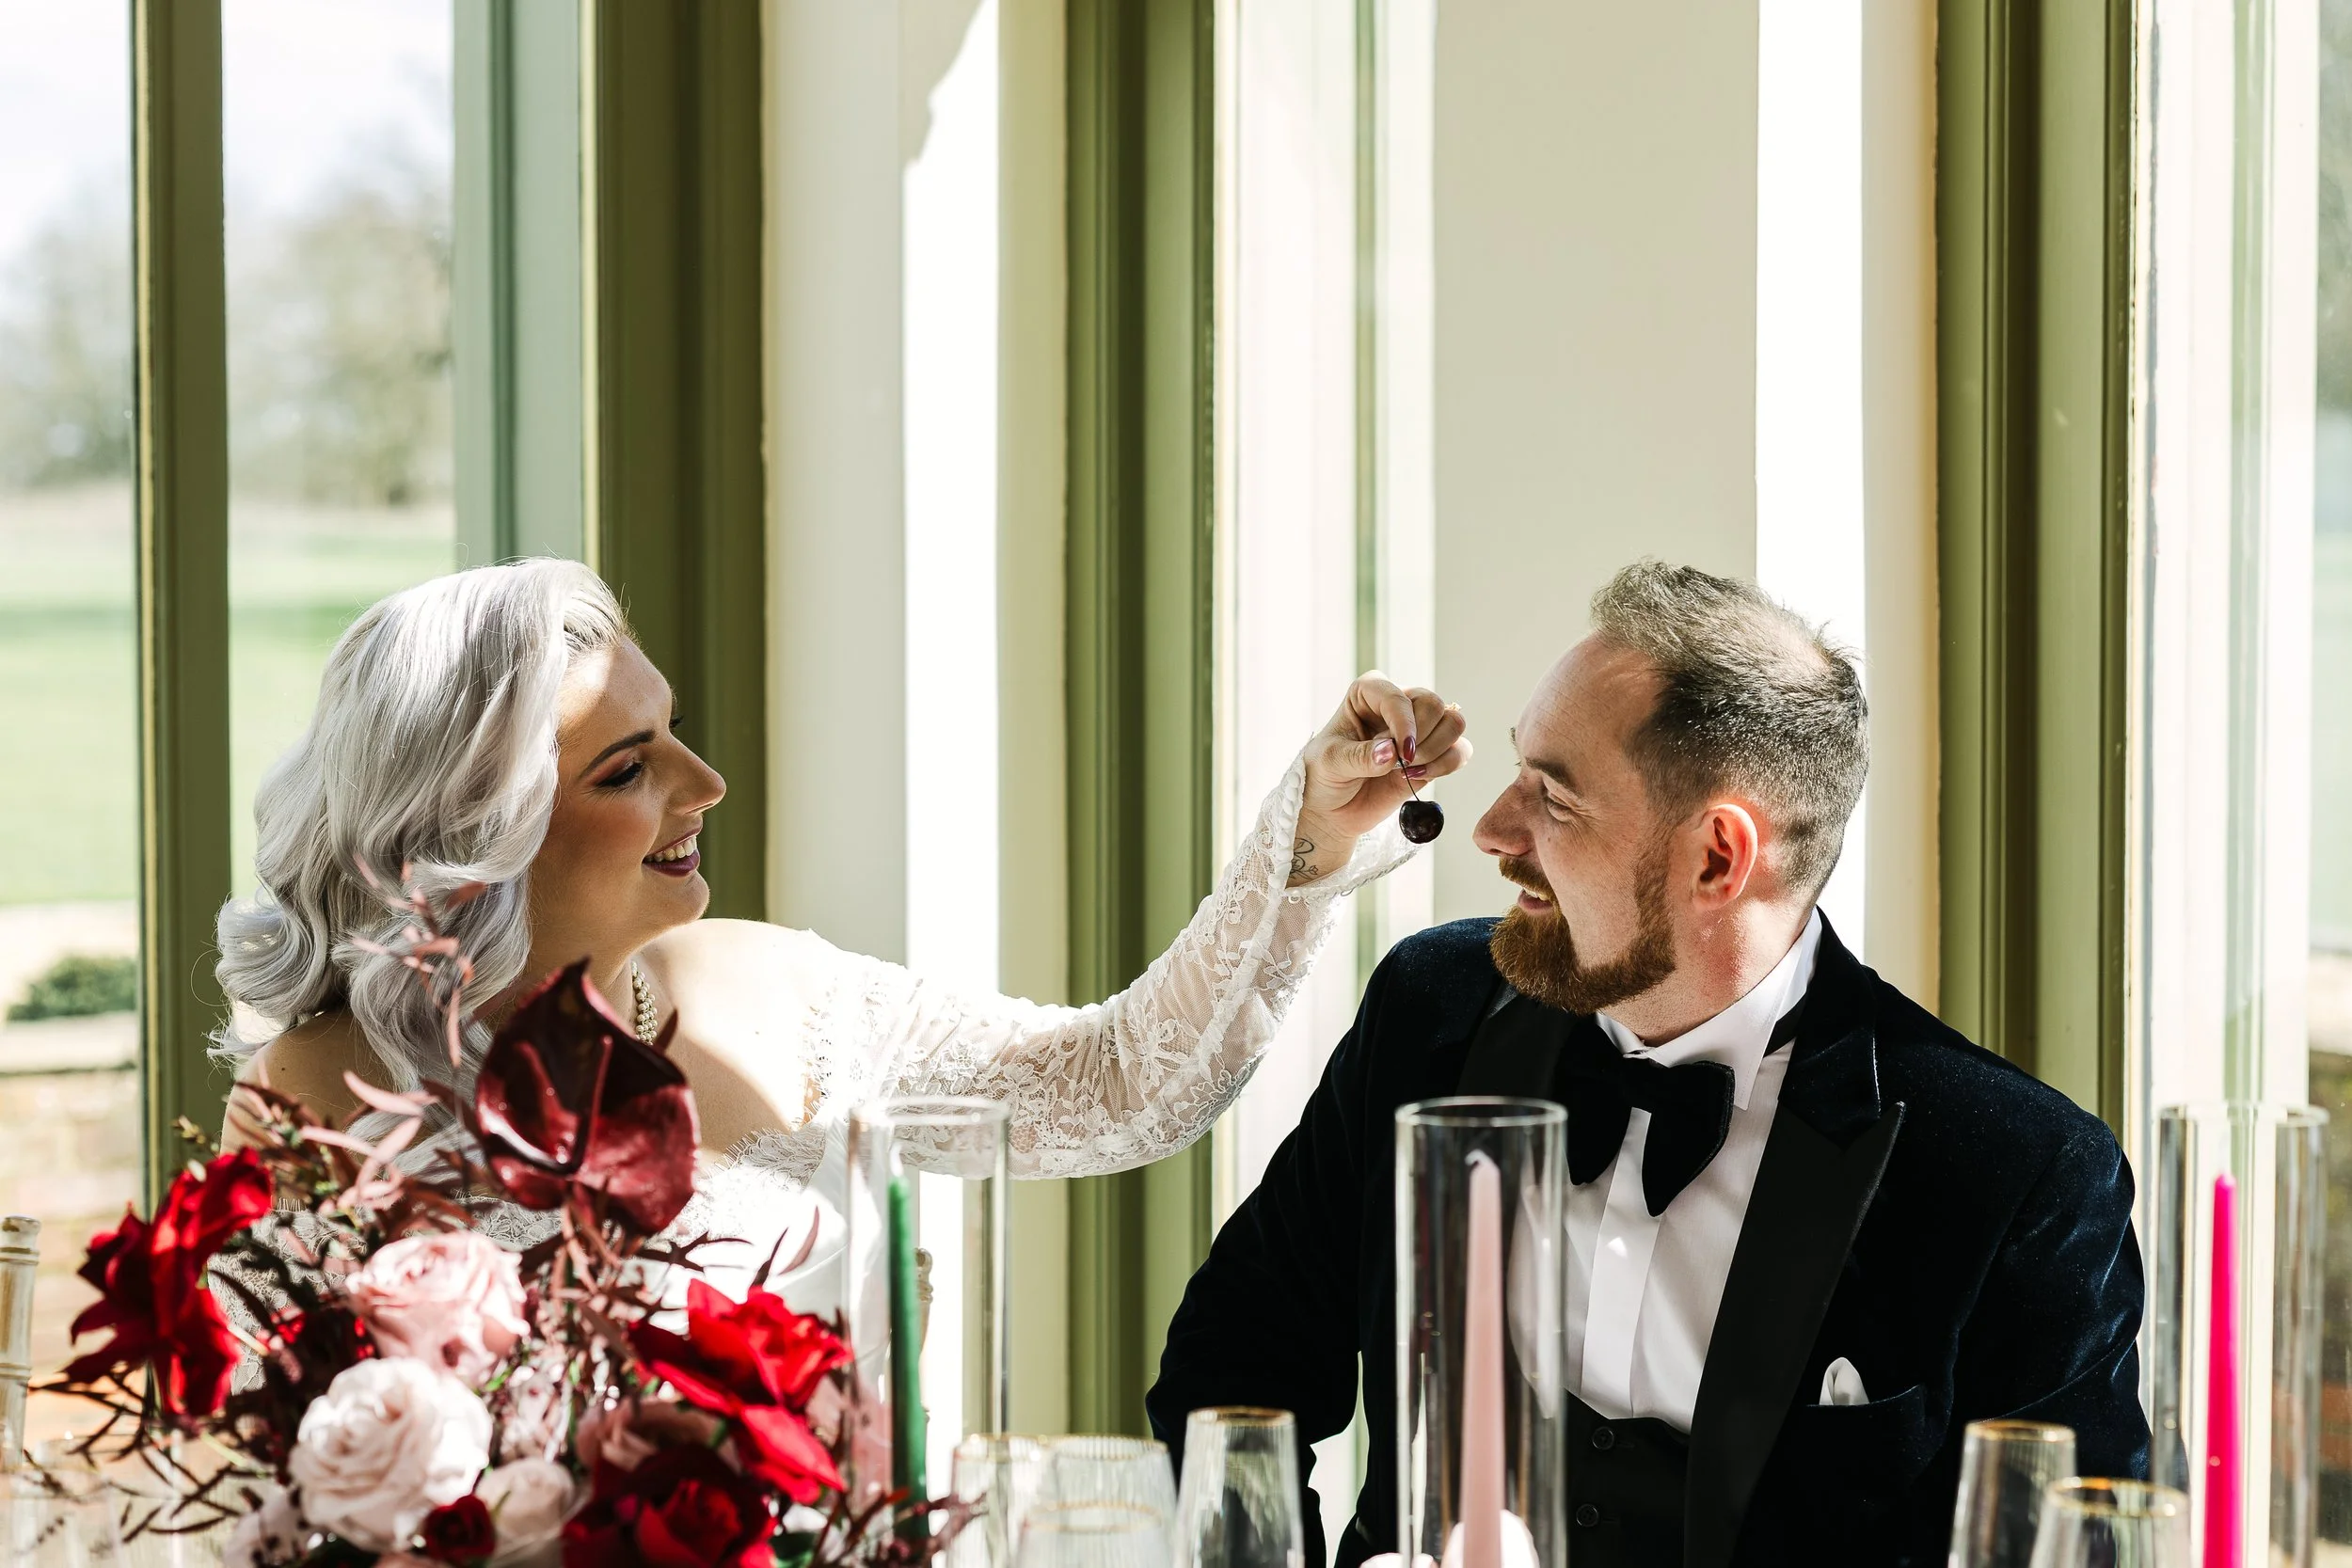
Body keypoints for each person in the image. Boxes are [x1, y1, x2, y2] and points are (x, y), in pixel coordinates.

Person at [1146, 562, 2146, 1568]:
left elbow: (2071, 1549)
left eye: (1553, 798)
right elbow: (1230, 1367)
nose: (1493, 830)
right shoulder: (1430, 1013)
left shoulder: (2014, 1174)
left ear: (1717, 857)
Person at [216, 558, 1468, 1308]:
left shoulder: (777, 988)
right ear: (483, 834)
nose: (704, 785)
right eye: (629, 769)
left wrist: (1298, 847)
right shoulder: (321, 1097)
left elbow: (1122, 1085)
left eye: (677, 733)